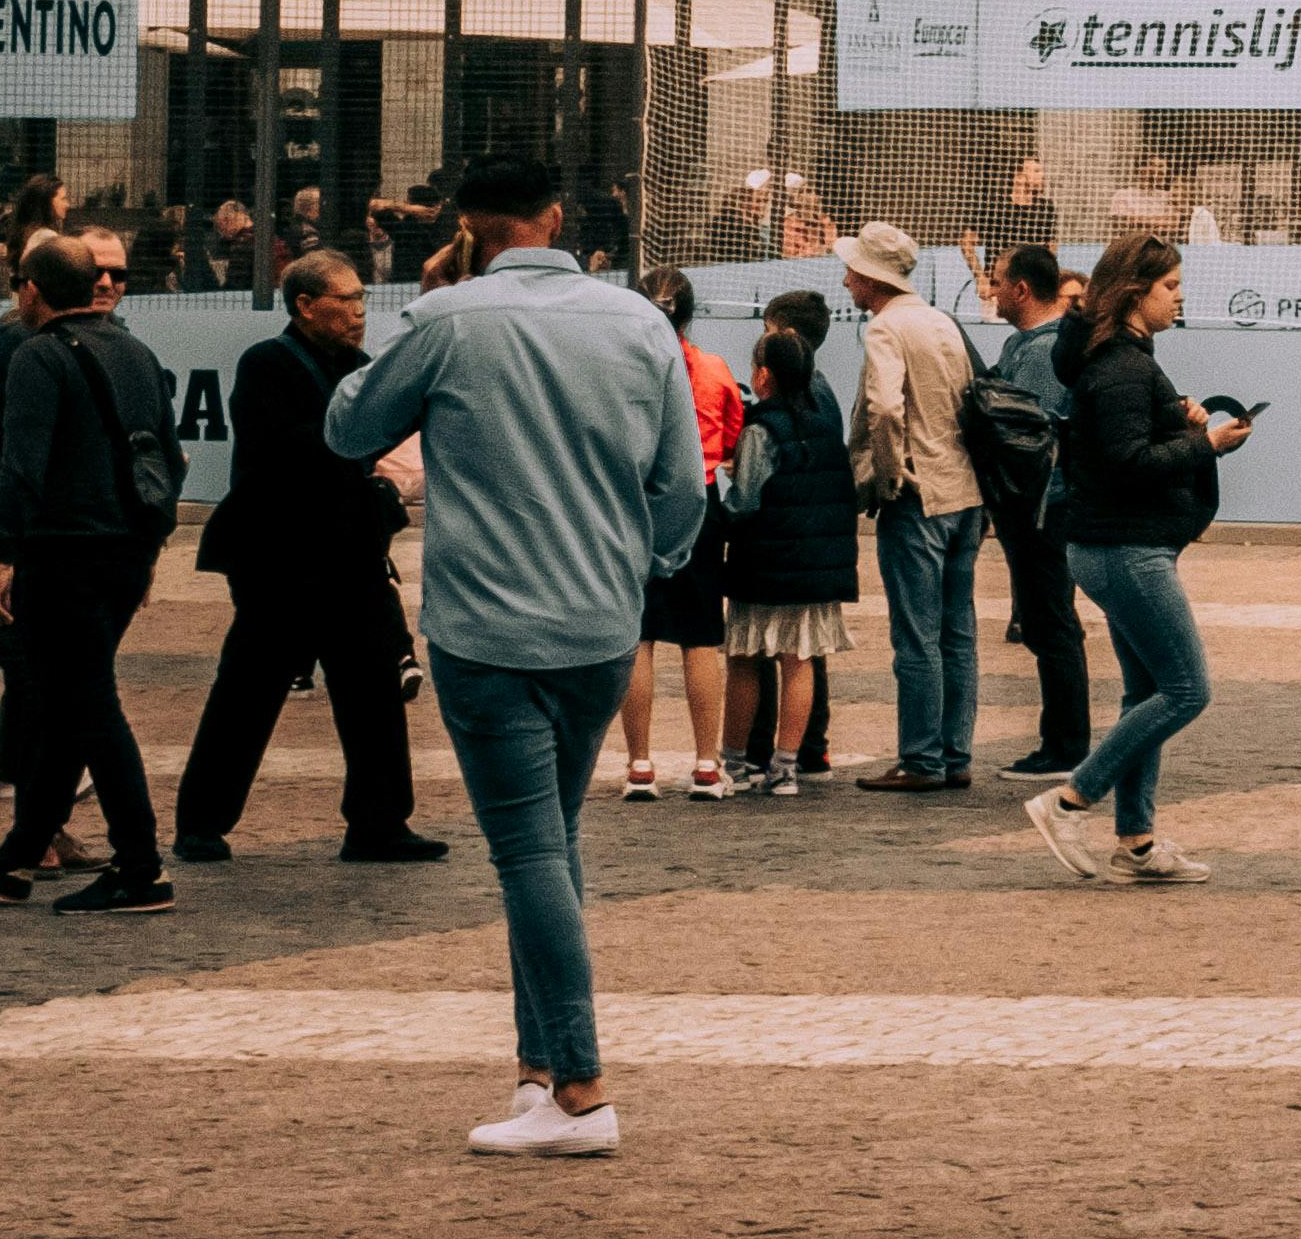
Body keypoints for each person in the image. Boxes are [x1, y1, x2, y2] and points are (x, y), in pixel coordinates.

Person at [323, 149, 710, 1161]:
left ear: (468, 226)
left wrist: (426, 312)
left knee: (529, 851)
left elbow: (349, 424)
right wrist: (639, 567)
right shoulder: (639, 323)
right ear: (554, 217)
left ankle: (580, 1087)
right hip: (597, 627)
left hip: (486, 629)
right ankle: (539, 1072)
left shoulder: (448, 320)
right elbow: (681, 490)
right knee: (555, 841)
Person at [171, 248, 430, 867]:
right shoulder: (268, 363)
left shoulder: (359, 366)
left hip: (349, 557)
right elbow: (302, 450)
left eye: (364, 300)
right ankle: (201, 824)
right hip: (279, 560)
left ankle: (379, 823)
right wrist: (368, 464)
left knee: (372, 691)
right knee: (248, 692)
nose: (360, 313)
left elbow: (384, 430)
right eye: (346, 302)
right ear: (306, 306)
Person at [0, 222, 183, 911]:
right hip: (122, 551)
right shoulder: (136, 351)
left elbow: (21, 466)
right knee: (64, 704)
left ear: (30, 290)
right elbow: (167, 459)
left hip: (62, 552)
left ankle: (141, 865)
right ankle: (19, 854)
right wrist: (149, 552)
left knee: (88, 704)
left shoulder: (37, 355)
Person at [1025, 237, 1246, 884]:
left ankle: (1137, 844)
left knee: (1146, 692)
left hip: (1114, 544)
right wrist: (1202, 443)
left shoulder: (1117, 360)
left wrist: (1180, 425)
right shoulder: (1122, 365)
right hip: (1125, 549)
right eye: (1170, 286)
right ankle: (1069, 801)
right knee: (1186, 689)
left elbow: (1127, 446)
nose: (1179, 297)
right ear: (1134, 292)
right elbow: (1129, 464)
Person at [839, 225, 985, 793]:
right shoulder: (940, 322)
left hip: (920, 497)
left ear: (873, 277)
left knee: (916, 636)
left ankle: (920, 758)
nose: (847, 278)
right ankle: (956, 752)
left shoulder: (885, 328)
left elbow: (884, 406)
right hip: (964, 492)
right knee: (958, 632)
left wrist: (888, 475)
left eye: (853, 270)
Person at [714, 288, 861, 800]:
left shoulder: (761, 428)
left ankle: (733, 762)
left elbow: (747, 499)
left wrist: (724, 491)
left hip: (765, 564)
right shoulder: (824, 420)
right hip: (815, 566)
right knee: (800, 660)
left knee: (745, 658)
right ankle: (786, 766)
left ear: (763, 375)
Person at [963, 240, 1094, 781]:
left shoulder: (1042, 352)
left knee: (1052, 624)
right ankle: (1061, 742)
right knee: (1046, 623)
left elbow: (1024, 433)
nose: (990, 290)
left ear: (1021, 288)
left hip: (1044, 509)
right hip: (1033, 510)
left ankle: (1064, 748)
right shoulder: (1026, 345)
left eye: (996, 280)